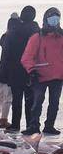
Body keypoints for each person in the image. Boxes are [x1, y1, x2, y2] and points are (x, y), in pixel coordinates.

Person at [21, 7, 63, 136]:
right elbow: (27, 56)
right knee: (37, 101)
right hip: (40, 75)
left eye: (57, 17)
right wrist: (31, 70)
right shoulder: (37, 37)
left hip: (58, 76)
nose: (54, 19)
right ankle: (34, 125)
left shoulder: (61, 37)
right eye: (52, 16)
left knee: (54, 103)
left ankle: (49, 126)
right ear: (46, 19)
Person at [4, 6, 40, 133]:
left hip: (15, 69)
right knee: (30, 100)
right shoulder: (37, 31)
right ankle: (31, 125)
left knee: (17, 100)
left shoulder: (14, 29)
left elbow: (5, 47)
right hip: (31, 70)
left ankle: (15, 125)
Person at [0, 13, 20, 128]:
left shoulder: (4, 38)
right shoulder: (15, 38)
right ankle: (3, 120)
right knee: (8, 98)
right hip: (10, 73)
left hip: (1, 71)